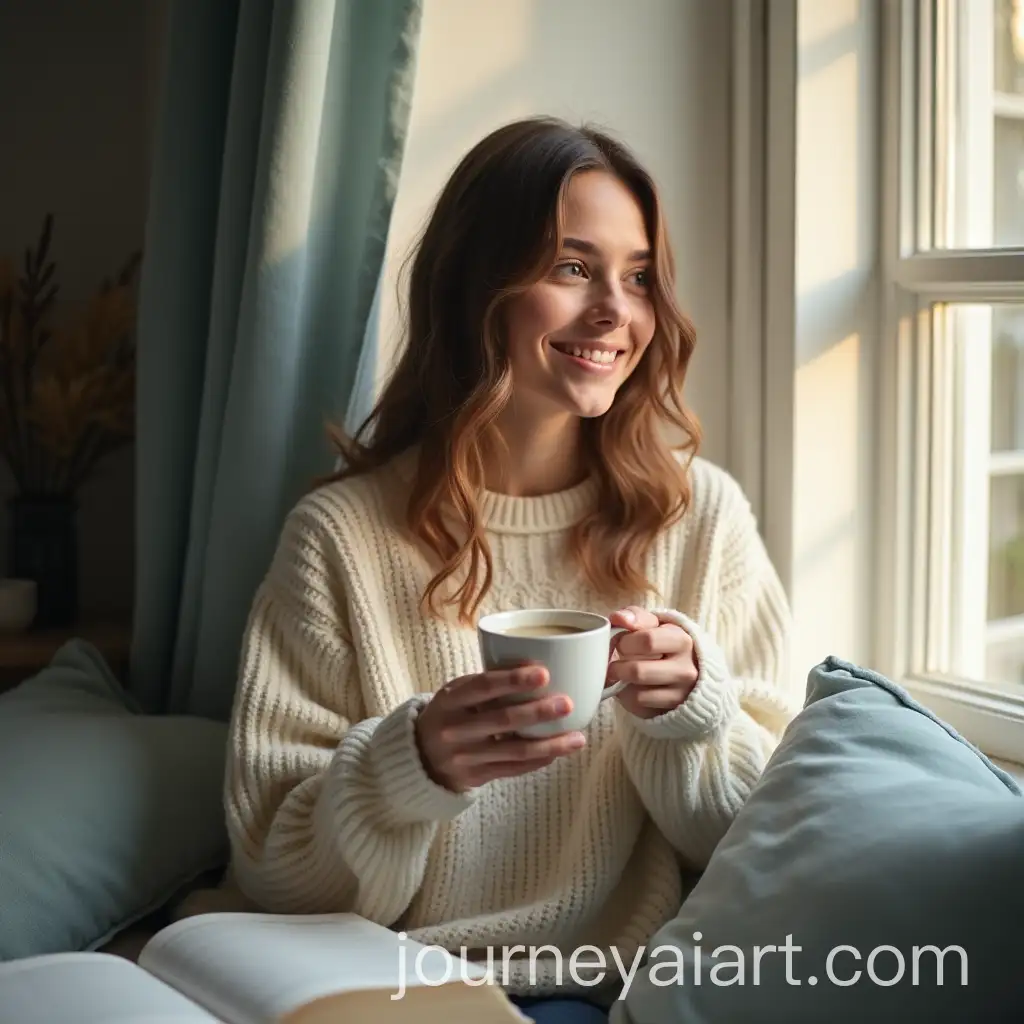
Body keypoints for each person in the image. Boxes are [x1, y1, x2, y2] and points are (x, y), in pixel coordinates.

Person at [223, 116, 802, 1024]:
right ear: (475, 287)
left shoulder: (701, 518)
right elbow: (274, 868)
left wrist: (693, 717)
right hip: (408, 995)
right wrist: (408, 766)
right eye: (573, 268)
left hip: (626, 993)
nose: (618, 310)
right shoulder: (338, 538)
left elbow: (770, 843)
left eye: (639, 276)